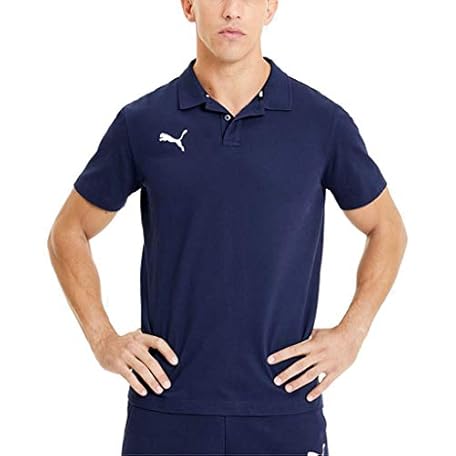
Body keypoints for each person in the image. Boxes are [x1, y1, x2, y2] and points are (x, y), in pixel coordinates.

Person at [47, 0, 408, 454]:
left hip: (284, 407)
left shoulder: (322, 123)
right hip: (167, 407)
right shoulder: (143, 122)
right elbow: (68, 232)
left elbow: (387, 228)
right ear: (189, 6)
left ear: (270, 7)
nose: (233, 10)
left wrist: (351, 334)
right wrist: (103, 339)